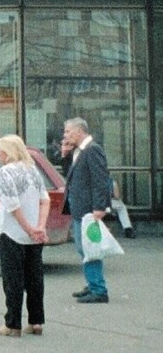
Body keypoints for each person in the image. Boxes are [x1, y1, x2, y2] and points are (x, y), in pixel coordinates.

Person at [0, 134, 49, 337]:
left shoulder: (3, 174)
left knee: (13, 280)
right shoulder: (33, 171)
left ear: (7, 153)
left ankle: (12, 324)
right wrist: (39, 227)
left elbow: (13, 206)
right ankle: (36, 321)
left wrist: (28, 229)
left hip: (12, 232)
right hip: (34, 234)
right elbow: (45, 200)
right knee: (35, 279)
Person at [62, 117, 112, 304]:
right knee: (83, 248)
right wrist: (65, 155)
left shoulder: (92, 150)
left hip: (88, 209)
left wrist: (100, 207)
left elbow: (100, 180)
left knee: (89, 249)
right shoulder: (79, 151)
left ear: (79, 131)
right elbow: (72, 176)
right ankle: (92, 284)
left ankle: (99, 289)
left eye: (67, 132)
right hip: (79, 208)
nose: (65, 136)